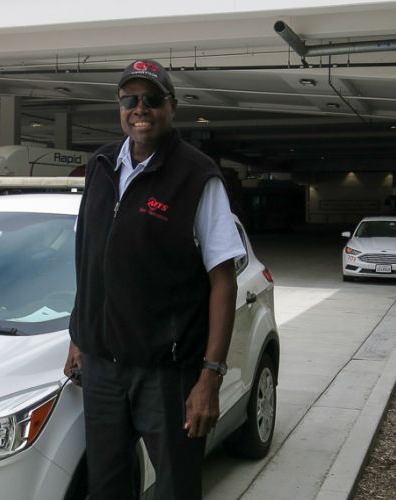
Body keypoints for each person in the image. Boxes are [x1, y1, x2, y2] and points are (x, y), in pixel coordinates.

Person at [65, 59, 246, 499]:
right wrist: (79, 334)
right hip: (104, 369)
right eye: (130, 99)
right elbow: (89, 258)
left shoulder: (197, 176)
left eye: (151, 99)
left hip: (168, 375)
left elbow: (224, 280)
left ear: (172, 106)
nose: (140, 108)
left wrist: (210, 377)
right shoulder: (101, 165)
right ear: (120, 106)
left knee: (175, 488)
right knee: (106, 487)